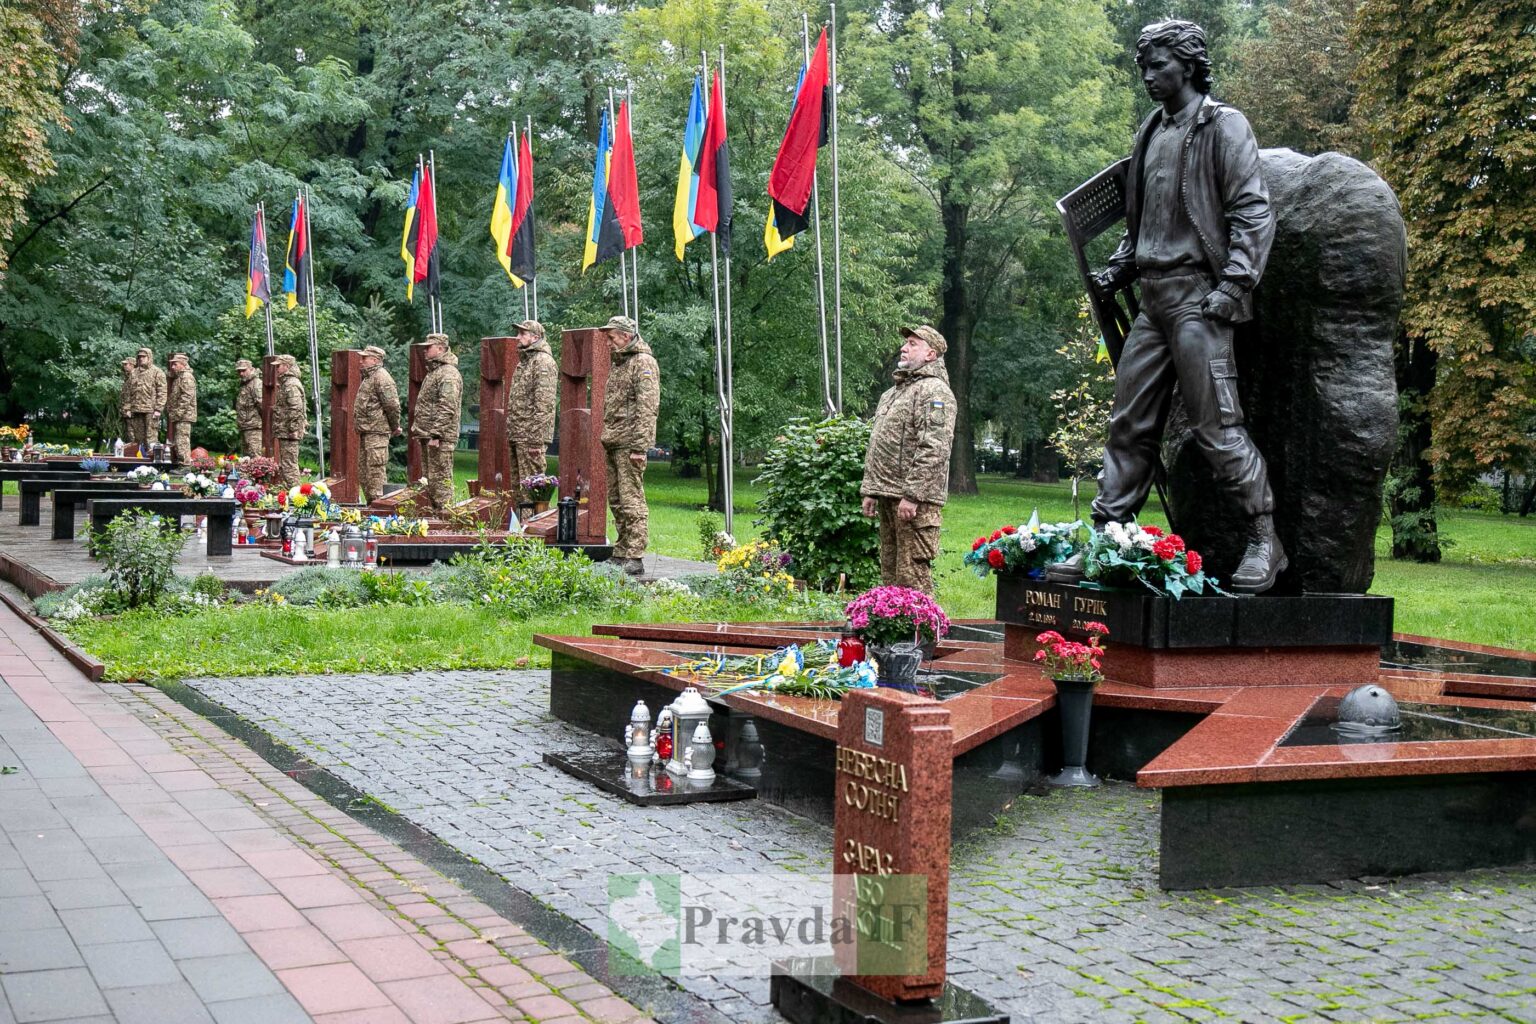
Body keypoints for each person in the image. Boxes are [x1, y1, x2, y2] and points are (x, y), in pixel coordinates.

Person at [1047, 19, 1285, 593]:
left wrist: (1233, 286)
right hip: (1151, 301)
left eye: (1159, 65)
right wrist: (1120, 264)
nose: (1150, 76)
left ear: (1189, 64)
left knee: (1217, 426)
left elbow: (1254, 213)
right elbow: (1143, 217)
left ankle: (1263, 538)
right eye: (1144, 66)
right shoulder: (1151, 129)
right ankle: (1110, 535)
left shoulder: (1224, 126)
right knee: (1128, 424)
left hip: (1198, 299)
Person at [859, 326, 957, 595]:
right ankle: (894, 632)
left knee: (912, 575)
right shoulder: (893, 393)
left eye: (913, 344)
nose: (904, 348)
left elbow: (935, 447)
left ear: (930, 354)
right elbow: (878, 444)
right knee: (890, 573)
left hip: (915, 502)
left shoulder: (934, 393)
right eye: (905, 343)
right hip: (888, 494)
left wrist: (913, 495)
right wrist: (870, 490)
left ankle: (922, 634)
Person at [598, 316, 659, 576]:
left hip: (630, 443)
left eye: (612, 337)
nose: (609, 343)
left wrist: (639, 447)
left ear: (625, 335)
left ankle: (635, 555)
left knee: (632, 499)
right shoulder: (621, 363)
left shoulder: (643, 363)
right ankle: (621, 550)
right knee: (617, 499)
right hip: (614, 440)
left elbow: (647, 408)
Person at [411, 333, 462, 510]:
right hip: (428, 435)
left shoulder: (448, 373)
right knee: (430, 482)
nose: (425, 350)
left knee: (440, 483)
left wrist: (436, 434)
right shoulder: (434, 372)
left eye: (428, 347)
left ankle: (446, 517)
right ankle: (434, 515)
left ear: (440, 348)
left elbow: (448, 406)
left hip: (439, 438)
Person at [507, 319, 557, 501]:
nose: (517, 338)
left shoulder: (543, 362)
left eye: (522, 334)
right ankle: (520, 527)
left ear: (535, 337)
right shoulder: (524, 362)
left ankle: (532, 528)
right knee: (518, 491)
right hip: (518, 434)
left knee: (532, 492)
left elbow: (544, 404)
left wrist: (536, 440)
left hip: (530, 437)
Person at [353, 345, 402, 504]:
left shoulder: (382, 378)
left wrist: (395, 426)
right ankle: (370, 505)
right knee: (364, 473)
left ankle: (379, 507)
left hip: (377, 433)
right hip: (366, 432)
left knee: (375, 473)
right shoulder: (369, 378)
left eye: (364, 358)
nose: (361, 361)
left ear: (375, 360)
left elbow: (392, 406)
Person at [271, 354, 308, 489]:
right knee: (287, 463)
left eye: (279, 366)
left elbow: (296, 407)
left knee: (289, 465)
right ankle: (291, 491)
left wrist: (292, 429)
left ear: (287, 366)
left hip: (289, 432)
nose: (277, 369)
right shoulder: (286, 383)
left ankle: (296, 494)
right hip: (285, 430)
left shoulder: (291, 384)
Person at [125, 347, 166, 454]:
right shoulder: (133, 373)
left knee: (151, 436)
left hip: (151, 410)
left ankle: (153, 459)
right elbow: (128, 392)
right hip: (136, 409)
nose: (141, 359)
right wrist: (127, 408)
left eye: (144, 356)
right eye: (139, 357)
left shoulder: (157, 372)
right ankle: (139, 458)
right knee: (137, 437)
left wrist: (158, 409)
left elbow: (162, 392)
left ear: (149, 357)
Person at [166, 353, 198, 466]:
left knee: (182, 440)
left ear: (183, 365)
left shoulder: (186, 377)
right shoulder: (179, 377)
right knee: (179, 440)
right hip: (179, 415)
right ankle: (181, 462)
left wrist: (178, 413)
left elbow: (187, 397)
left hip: (184, 415)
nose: (173, 367)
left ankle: (185, 464)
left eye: (175, 364)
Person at [234, 359, 264, 457]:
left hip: (254, 427)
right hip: (245, 426)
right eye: (239, 371)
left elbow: (262, 405)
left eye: (244, 370)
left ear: (251, 369)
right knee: (247, 458)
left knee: (256, 457)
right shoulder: (245, 384)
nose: (241, 373)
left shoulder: (256, 383)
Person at [118, 359, 136, 445]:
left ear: (132, 365)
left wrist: (129, 408)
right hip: (124, 409)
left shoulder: (135, 376)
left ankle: (135, 449)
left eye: (126, 364)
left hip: (131, 409)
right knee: (126, 431)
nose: (124, 366)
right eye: (124, 364)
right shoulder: (127, 377)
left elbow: (134, 394)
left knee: (132, 430)